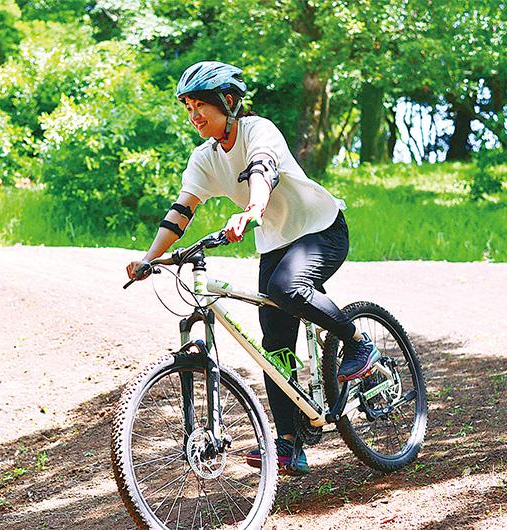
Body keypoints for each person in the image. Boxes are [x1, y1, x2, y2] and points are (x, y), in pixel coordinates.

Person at [125, 61, 380, 475]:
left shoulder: (258, 130)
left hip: (321, 229)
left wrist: (251, 210)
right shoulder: (205, 158)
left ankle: (357, 342)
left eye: (200, 106)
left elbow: (263, 170)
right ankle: (290, 444)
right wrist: (149, 258)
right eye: (187, 108)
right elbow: (180, 212)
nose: (193, 116)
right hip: (277, 242)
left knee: (287, 289)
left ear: (227, 102)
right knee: (273, 344)